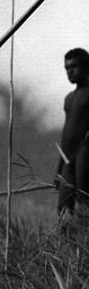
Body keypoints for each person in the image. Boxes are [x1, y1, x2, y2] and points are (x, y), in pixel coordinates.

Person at [55, 48, 89, 221]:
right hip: (67, 158)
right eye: (66, 68)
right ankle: (69, 247)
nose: (69, 71)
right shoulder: (69, 98)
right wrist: (59, 168)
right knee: (63, 209)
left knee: (84, 202)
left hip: (85, 151)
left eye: (74, 66)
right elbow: (66, 133)